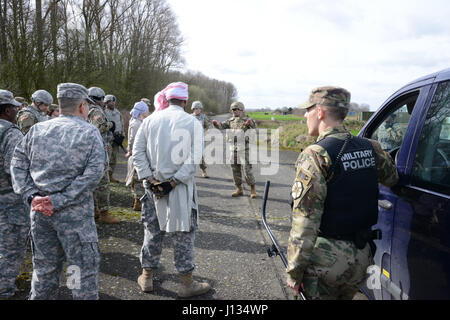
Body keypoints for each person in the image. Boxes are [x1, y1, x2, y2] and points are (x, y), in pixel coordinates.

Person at [286, 86, 399, 300]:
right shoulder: (371, 147)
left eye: (308, 110)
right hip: (362, 258)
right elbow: (392, 178)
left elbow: (305, 221)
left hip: (326, 263)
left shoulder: (315, 155)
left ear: (320, 112)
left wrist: (294, 271)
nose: (305, 115)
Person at [10, 83, 107, 300]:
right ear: (83, 106)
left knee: (44, 271)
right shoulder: (90, 133)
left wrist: (31, 195)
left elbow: (17, 164)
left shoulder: (37, 130)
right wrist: (59, 199)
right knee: (78, 273)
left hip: (41, 214)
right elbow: (94, 174)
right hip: (75, 219)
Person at [133, 82, 211, 298]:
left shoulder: (149, 121)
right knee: (183, 233)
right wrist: (174, 182)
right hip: (181, 190)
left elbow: (137, 153)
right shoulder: (192, 123)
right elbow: (194, 158)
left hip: (152, 188)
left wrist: (149, 178)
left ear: (167, 100)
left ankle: (146, 277)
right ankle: (186, 283)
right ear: (184, 101)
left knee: (152, 232)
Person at [0, 90, 29, 300]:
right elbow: (16, 170)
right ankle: (4, 289)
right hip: (8, 200)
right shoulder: (11, 134)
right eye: (14, 108)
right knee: (11, 247)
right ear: (7, 110)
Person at [212, 102, 257, 198]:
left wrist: (251, 124)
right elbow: (221, 126)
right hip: (233, 149)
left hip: (244, 149)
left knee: (247, 169)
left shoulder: (247, 120)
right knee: (234, 169)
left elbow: (255, 129)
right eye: (233, 109)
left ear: (241, 110)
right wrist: (216, 124)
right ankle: (239, 188)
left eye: (236, 109)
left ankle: (253, 188)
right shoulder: (230, 121)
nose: (234, 111)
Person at [87, 87, 119, 224]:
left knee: (94, 183)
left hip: (93, 150)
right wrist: (110, 124)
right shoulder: (95, 110)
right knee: (103, 183)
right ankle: (104, 213)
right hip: (99, 151)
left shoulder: (85, 108)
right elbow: (98, 127)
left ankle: (95, 210)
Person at [125, 101, 150, 211]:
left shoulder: (140, 122)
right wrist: (130, 150)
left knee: (139, 177)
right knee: (137, 177)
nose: (148, 112)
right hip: (137, 154)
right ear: (142, 112)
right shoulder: (136, 124)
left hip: (140, 153)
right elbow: (132, 140)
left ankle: (138, 200)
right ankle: (138, 202)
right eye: (147, 110)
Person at [104, 94, 125, 183]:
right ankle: (106, 177)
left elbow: (121, 123)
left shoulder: (117, 112)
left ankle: (110, 176)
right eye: (110, 101)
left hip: (118, 138)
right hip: (109, 139)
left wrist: (122, 135)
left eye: (113, 101)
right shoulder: (104, 112)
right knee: (108, 158)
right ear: (106, 102)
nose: (112, 103)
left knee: (114, 158)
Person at [191, 101, 211, 178]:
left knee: (200, 156)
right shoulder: (189, 117)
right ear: (193, 109)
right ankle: (188, 172)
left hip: (199, 139)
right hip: (190, 139)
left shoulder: (203, 117)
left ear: (201, 109)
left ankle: (204, 171)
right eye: (195, 108)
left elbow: (208, 126)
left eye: (198, 108)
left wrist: (204, 133)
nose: (197, 110)